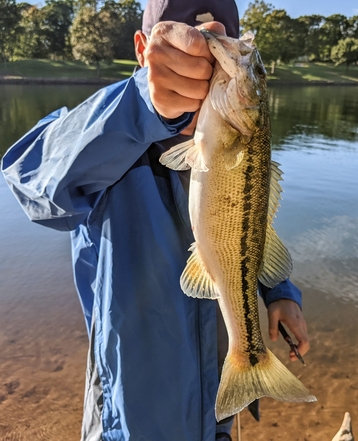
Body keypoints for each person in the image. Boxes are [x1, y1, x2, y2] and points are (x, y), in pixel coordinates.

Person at [1, 0, 310, 440]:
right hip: (133, 419)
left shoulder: (229, 139)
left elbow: (243, 224)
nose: (201, 57)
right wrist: (141, 104)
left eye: (220, 43)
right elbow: (29, 178)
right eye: (189, 41)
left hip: (217, 406)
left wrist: (278, 291)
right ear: (144, 48)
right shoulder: (98, 137)